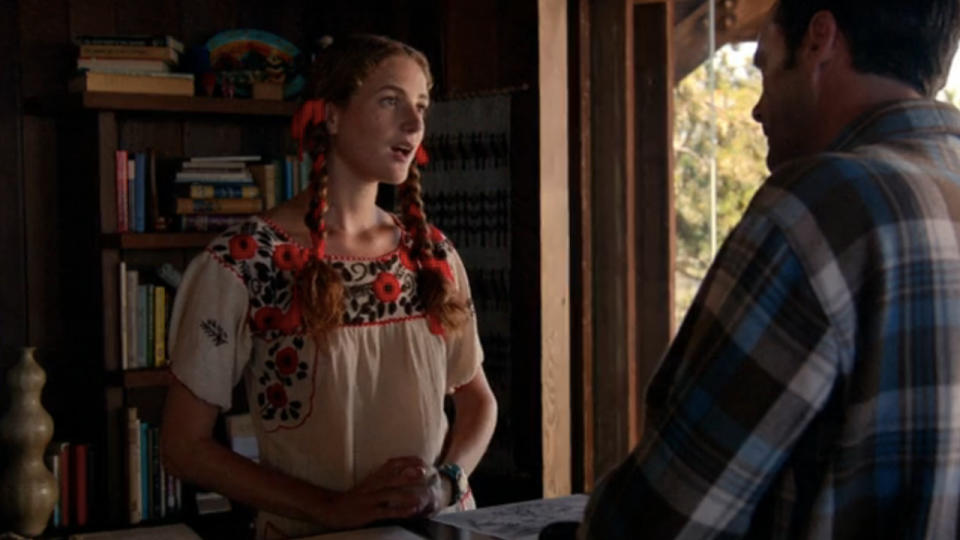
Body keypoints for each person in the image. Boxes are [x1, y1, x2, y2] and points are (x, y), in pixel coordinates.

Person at [580, 1, 960, 538]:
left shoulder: (823, 205)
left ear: (819, 41)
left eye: (763, 66)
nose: (757, 110)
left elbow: (666, 517)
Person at [160, 34, 498, 539]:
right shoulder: (245, 262)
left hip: (438, 529)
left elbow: (478, 403)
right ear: (332, 116)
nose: (415, 123)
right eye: (391, 101)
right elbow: (183, 447)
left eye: (422, 105)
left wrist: (445, 484)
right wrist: (330, 508)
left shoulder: (433, 255)